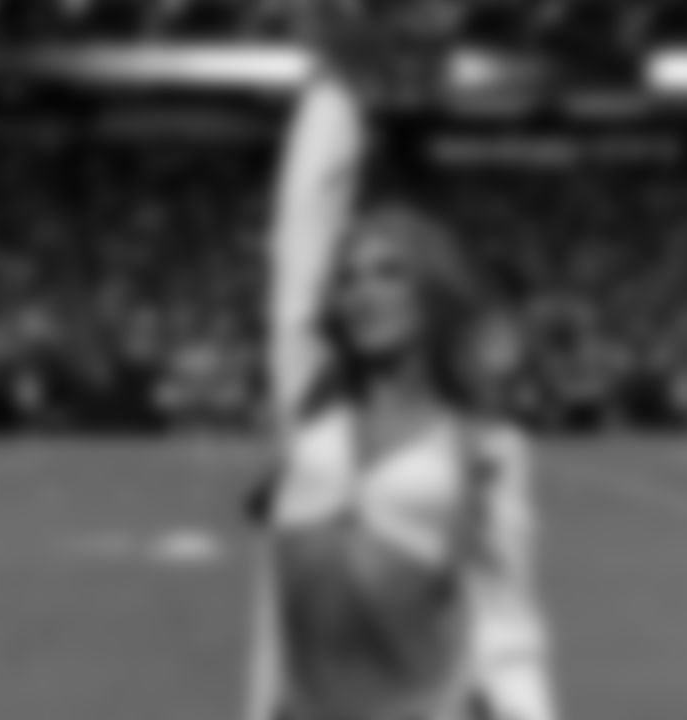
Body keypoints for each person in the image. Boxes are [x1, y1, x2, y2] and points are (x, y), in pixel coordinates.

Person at [244, 34, 556, 720]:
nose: (362, 293)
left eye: (389, 273)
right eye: (350, 278)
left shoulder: (487, 446)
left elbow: (511, 631)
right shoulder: (312, 406)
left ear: (431, 292)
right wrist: (334, 86)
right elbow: (299, 243)